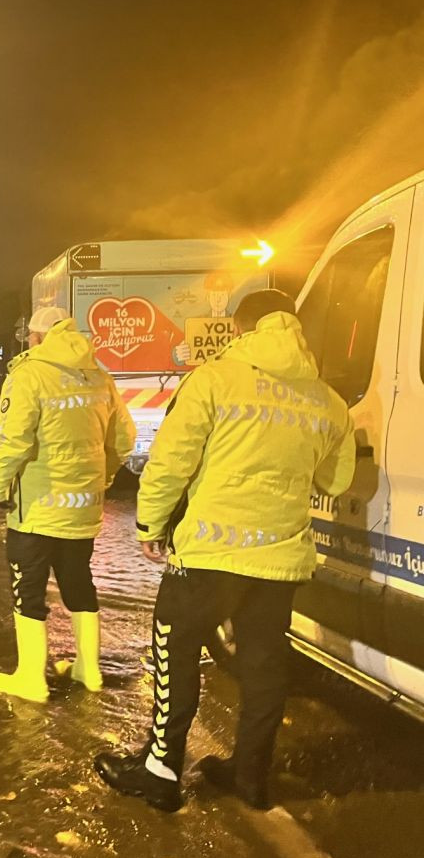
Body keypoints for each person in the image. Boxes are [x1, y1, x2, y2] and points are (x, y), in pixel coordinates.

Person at [94, 290, 356, 813]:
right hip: (279, 559)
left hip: (210, 557)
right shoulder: (328, 400)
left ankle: (160, 771)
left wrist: (150, 522)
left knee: (176, 652)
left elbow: (172, 461)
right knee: (264, 667)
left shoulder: (215, 379)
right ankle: (250, 777)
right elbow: (337, 477)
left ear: (241, 330)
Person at [0, 307, 136, 703]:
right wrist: (103, 478)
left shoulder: (29, 374)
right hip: (82, 507)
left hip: (36, 510)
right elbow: (123, 440)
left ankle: (31, 678)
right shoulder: (99, 376)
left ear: (36, 337)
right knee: (79, 583)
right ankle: (90, 669)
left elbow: (13, 441)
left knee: (28, 589)